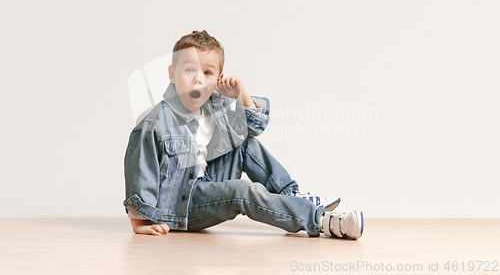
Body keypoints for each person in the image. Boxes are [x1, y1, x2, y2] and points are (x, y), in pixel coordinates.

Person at [123, 30, 363, 239]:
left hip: (205, 184)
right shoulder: (154, 122)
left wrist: (242, 96)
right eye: (189, 70)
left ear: (217, 79)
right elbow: (140, 170)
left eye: (207, 73)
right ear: (172, 74)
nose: (198, 78)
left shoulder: (214, 105)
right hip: (180, 206)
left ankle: (292, 197)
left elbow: (254, 129)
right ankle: (320, 221)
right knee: (241, 190)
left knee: (244, 144)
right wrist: (141, 221)